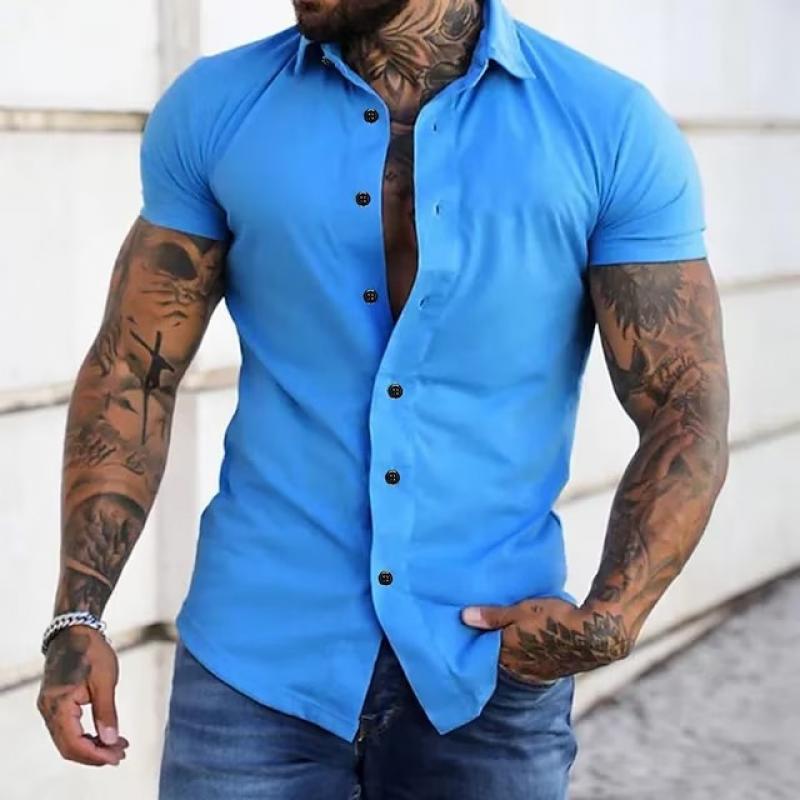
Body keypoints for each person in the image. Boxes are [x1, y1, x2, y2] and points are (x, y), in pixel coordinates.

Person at [36, 0, 730, 797]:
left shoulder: (607, 127)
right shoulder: (218, 107)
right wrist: (78, 614)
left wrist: (613, 617)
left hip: (490, 666)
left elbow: (685, 403)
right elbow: (133, 370)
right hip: (254, 657)